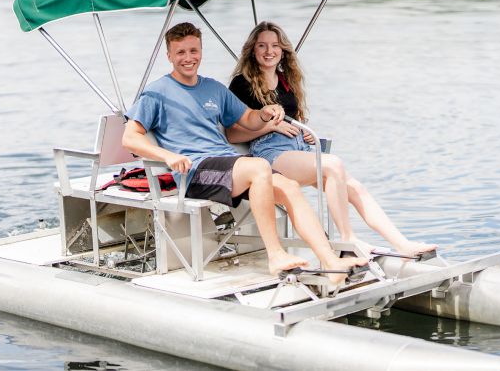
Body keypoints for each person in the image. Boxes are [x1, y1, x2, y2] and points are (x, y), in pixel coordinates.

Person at [122, 22, 367, 284]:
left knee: (289, 186)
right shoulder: (157, 92)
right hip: (196, 172)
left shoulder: (213, 88)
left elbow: (248, 117)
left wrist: (263, 113)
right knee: (259, 166)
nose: (188, 58)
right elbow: (130, 137)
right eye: (180, 52)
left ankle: (330, 261)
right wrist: (167, 156)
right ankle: (275, 255)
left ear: (201, 52)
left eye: (193, 51)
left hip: (230, 164)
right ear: (169, 55)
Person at [227, 21, 437, 258]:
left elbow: (293, 120)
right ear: (252, 50)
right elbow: (232, 133)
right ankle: (347, 239)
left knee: (356, 187)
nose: (269, 51)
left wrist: (304, 130)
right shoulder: (241, 84)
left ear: (283, 50)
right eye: (262, 45)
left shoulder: (286, 79)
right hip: (269, 153)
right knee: (333, 164)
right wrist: (268, 127)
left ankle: (402, 243)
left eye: (275, 45)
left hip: (299, 147)